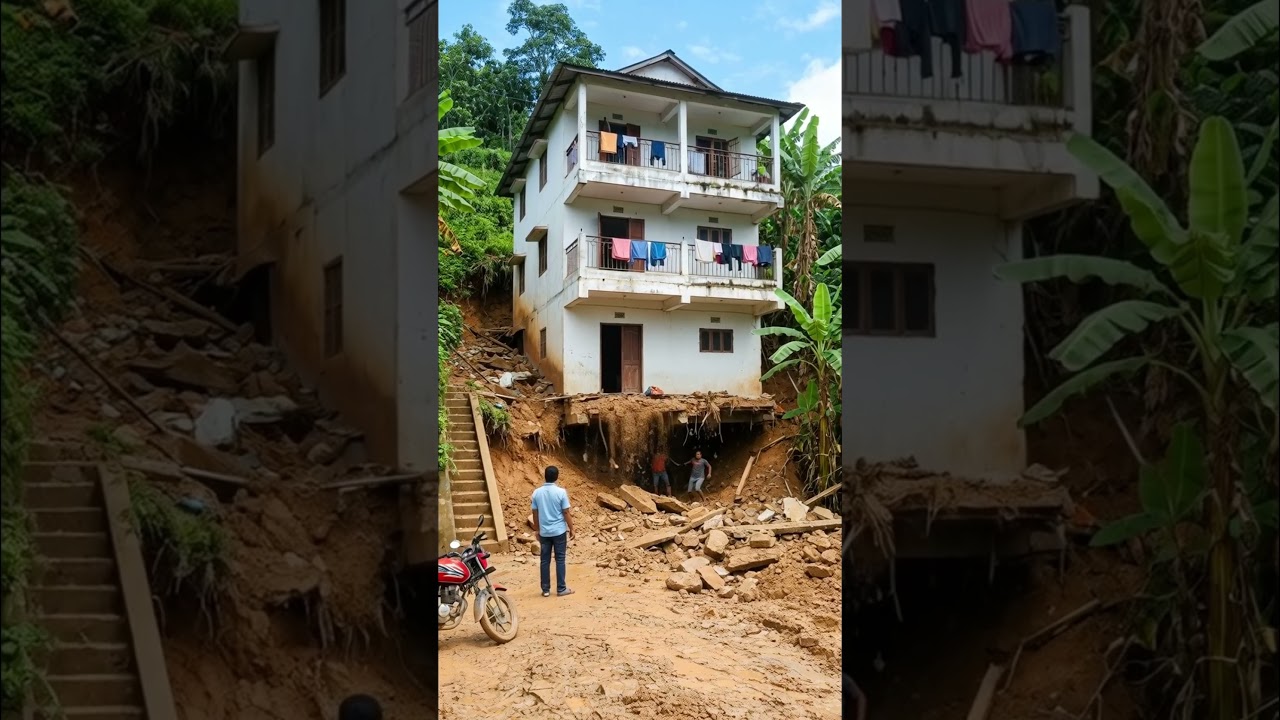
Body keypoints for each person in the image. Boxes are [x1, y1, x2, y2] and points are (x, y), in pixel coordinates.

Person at [531, 465, 575, 598]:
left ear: (545, 476)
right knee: (560, 559)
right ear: (556, 477)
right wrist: (572, 528)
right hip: (559, 531)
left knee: (545, 560)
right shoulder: (561, 492)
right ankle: (561, 588)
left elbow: (534, 513)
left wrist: (537, 529)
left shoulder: (536, 493)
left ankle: (545, 589)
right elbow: (566, 512)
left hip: (544, 532)